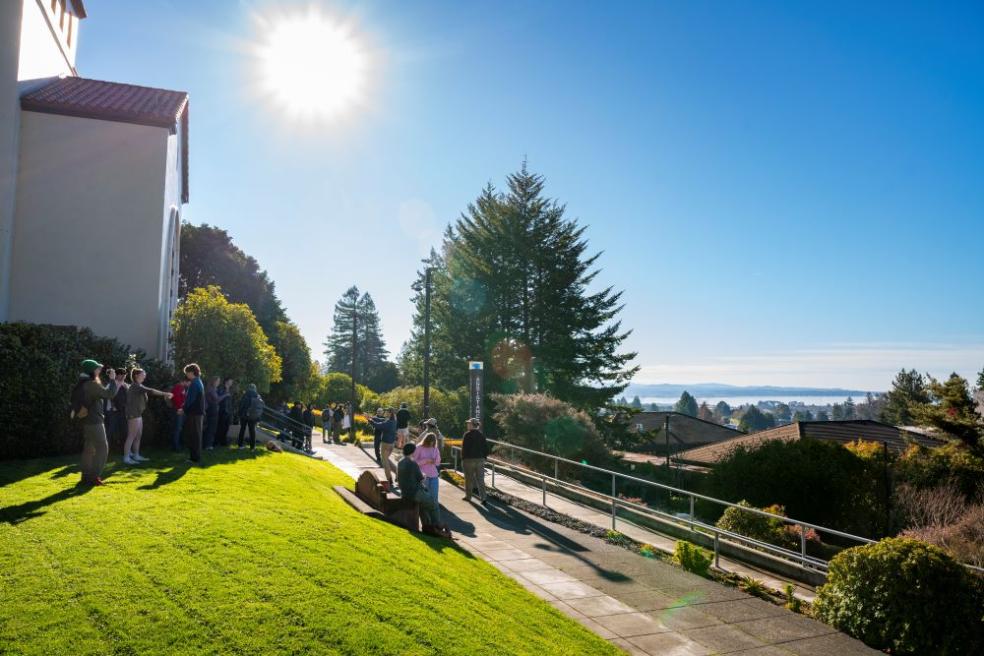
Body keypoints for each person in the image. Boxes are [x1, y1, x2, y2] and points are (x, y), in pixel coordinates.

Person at [74, 359, 118, 486]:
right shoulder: (92, 384)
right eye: (97, 368)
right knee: (102, 448)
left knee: (89, 449)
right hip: (95, 421)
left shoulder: (84, 383)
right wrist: (112, 379)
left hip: (87, 421)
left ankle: (86, 476)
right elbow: (110, 394)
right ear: (92, 370)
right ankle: (93, 477)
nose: (100, 370)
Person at [122, 368, 171, 464]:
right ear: (136, 375)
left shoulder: (139, 385)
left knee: (138, 435)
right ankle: (126, 458)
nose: (144, 376)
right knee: (131, 435)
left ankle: (136, 455)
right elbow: (151, 391)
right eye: (143, 374)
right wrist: (165, 393)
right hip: (133, 414)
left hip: (138, 414)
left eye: (144, 374)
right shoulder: (135, 386)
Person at [397, 443, 443, 535]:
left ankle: (427, 527)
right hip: (415, 492)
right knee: (434, 505)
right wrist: (425, 476)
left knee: (423, 506)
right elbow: (421, 478)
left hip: (405, 493)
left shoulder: (400, 462)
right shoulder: (412, 463)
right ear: (413, 452)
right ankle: (437, 526)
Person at [412, 432, 442, 523]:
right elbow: (414, 462)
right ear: (426, 440)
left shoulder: (435, 449)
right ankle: (426, 522)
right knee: (424, 500)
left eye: (433, 442)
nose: (431, 444)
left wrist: (435, 460)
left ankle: (435, 522)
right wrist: (425, 461)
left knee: (434, 500)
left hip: (434, 476)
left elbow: (438, 462)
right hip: (423, 477)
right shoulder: (419, 448)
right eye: (430, 442)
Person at [461, 418, 489, 504]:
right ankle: (483, 498)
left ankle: (468, 497)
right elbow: (486, 448)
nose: (467, 425)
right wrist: (484, 457)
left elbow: (464, 449)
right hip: (480, 460)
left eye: (469, 423)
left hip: (469, 460)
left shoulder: (467, 435)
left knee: (469, 479)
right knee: (480, 480)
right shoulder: (481, 435)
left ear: (472, 425)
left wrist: (463, 458)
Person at [367, 408, 398, 486]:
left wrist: (370, 420)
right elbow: (380, 420)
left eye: (387, 412)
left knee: (385, 463)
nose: (385, 412)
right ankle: (398, 474)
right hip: (391, 444)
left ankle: (389, 479)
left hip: (385, 444)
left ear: (390, 413)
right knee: (387, 459)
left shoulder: (388, 422)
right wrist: (371, 417)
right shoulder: (394, 421)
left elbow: (378, 425)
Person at [182, 363, 205, 463]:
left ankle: (194, 458)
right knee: (197, 435)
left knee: (194, 435)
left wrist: (183, 409)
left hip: (194, 413)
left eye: (187, 373)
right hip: (198, 413)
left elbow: (190, 400)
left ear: (191, 372)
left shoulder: (194, 383)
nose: (186, 375)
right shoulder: (199, 381)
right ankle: (196, 457)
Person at [105, 367, 128, 449]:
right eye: (121, 375)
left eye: (124, 375)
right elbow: (109, 395)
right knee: (110, 430)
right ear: (117, 375)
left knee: (124, 430)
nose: (123, 377)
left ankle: (123, 448)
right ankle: (105, 448)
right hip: (112, 411)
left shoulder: (125, 385)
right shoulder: (111, 384)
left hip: (122, 411)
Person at [238, 384, 263, 450]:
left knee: (242, 430)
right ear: (255, 388)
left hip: (244, 415)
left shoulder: (245, 395)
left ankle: (240, 445)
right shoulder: (258, 396)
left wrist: (239, 413)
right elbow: (260, 407)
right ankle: (252, 447)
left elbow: (241, 405)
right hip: (253, 416)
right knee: (252, 431)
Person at [169, 379, 189, 452]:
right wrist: (180, 408)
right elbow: (176, 398)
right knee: (177, 428)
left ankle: (178, 445)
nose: (189, 384)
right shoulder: (178, 387)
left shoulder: (182, 388)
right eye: (188, 382)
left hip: (180, 410)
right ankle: (175, 446)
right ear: (184, 381)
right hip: (178, 410)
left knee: (178, 428)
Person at [215, 378, 234, 447]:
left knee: (226, 427)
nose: (232, 382)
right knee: (220, 427)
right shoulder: (221, 389)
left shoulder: (230, 390)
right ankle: (216, 442)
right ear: (226, 381)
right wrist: (225, 395)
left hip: (228, 411)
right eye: (230, 380)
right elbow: (218, 399)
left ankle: (223, 442)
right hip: (222, 411)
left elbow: (230, 402)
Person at [203, 376, 221, 450]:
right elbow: (217, 399)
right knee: (211, 428)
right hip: (211, 410)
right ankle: (208, 445)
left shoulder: (213, 389)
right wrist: (226, 395)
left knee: (212, 428)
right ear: (213, 381)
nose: (218, 383)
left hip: (213, 410)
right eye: (217, 381)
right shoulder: (210, 389)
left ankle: (209, 444)